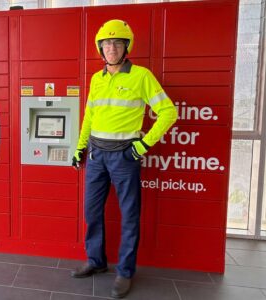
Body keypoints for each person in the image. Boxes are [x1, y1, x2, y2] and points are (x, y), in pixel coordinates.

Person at [70, 19, 178, 298]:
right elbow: (89, 118)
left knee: (130, 215)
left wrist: (142, 146)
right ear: (100, 49)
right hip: (95, 154)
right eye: (106, 44)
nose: (111, 48)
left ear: (126, 46)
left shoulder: (141, 76)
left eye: (117, 43)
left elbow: (168, 112)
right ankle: (96, 261)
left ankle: (126, 271)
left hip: (124, 156)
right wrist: (79, 148)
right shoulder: (97, 78)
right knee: (92, 212)